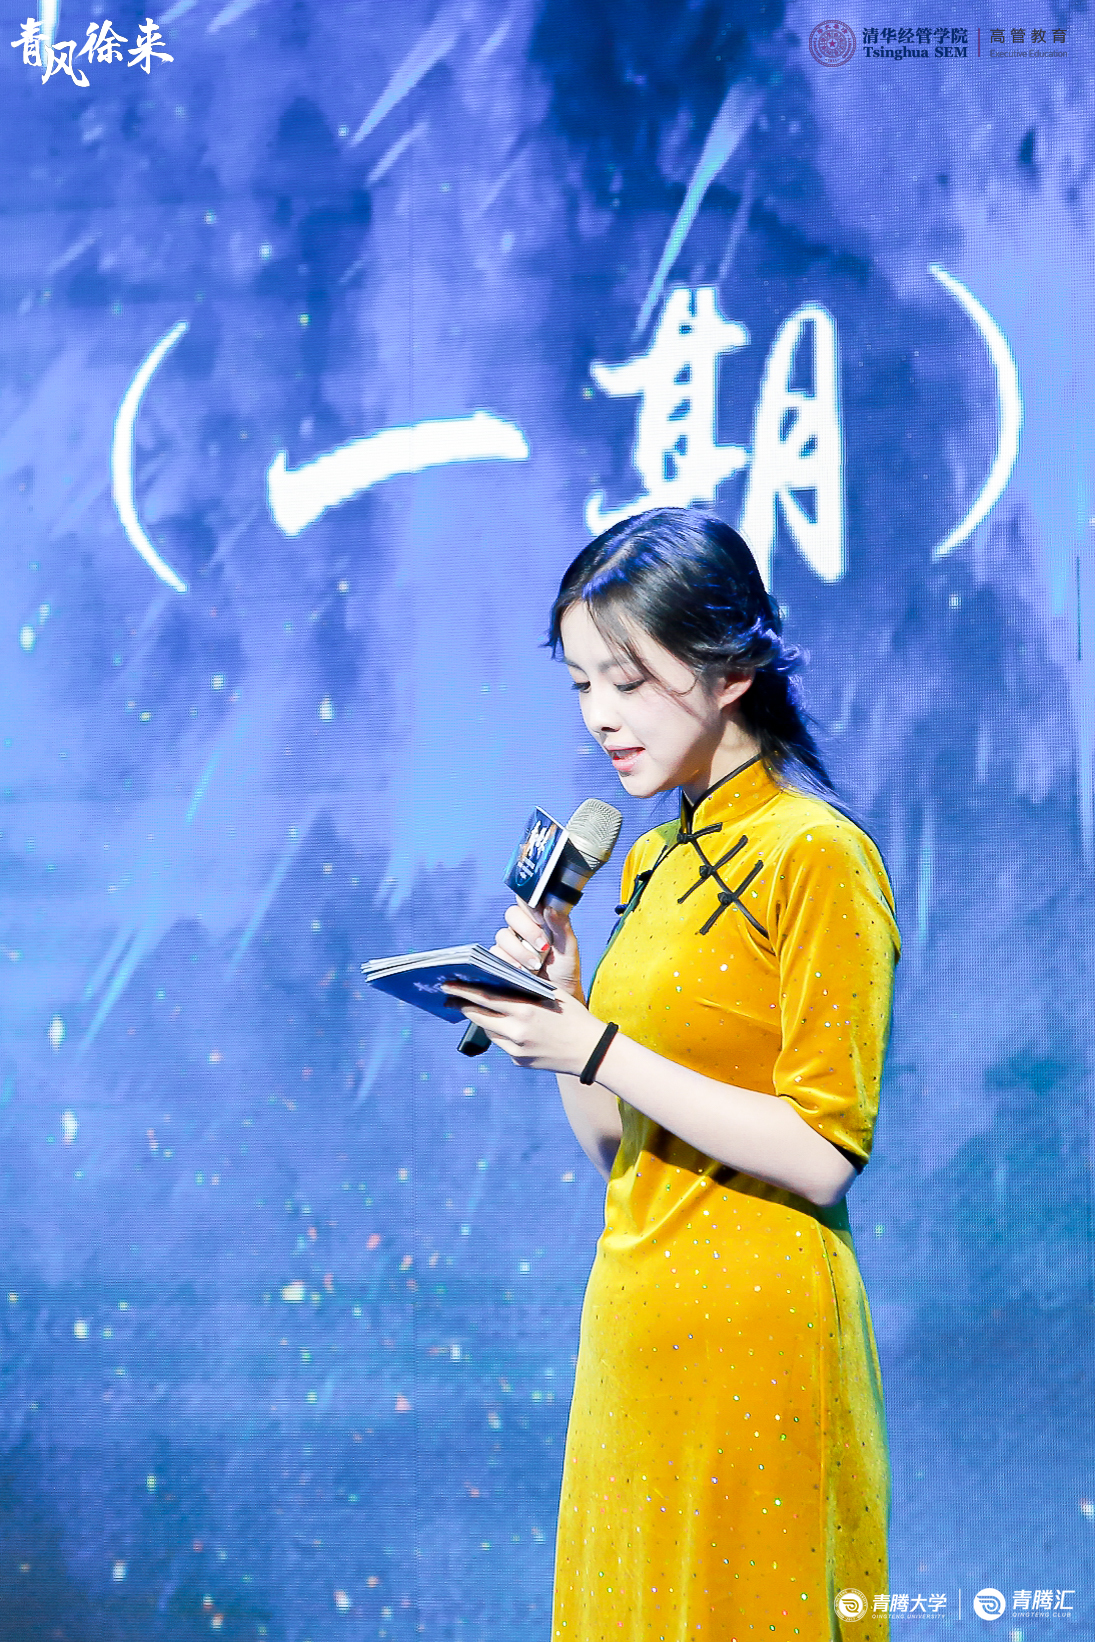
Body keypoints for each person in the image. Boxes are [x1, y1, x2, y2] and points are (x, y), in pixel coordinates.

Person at [441, 505, 899, 1641]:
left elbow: (823, 1150)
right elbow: (614, 1140)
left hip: (756, 1334)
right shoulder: (649, 857)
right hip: (634, 1328)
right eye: (582, 686)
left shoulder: (815, 853)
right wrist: (566, 1004)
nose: (601, 715)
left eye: (630, 680)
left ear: (733, 670)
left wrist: (596, 1045)